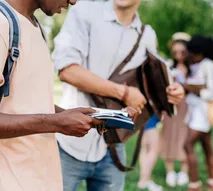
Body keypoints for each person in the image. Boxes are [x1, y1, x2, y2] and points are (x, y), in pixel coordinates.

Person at [52, 0, 185, 190]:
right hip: (69, 143)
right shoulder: (84, 11)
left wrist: (173, 90)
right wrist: (123, 92)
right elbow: (67, 70)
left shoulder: (146, 34)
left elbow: (156, 79)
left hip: (113, 144)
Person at [0, 0, 108, 190]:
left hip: (38, 178)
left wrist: (69, 115)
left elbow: (24, 102)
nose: (73, 1)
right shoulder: (0, 25)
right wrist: (56, 123)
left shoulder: (35, 27)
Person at [184, 35, 213, 191]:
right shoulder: (198, 66)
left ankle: (194, 184)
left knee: (187, 145)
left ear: (199, 52)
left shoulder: (208, 65)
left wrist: (192, 88)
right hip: (196, 112)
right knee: (207, 147)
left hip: (203, 112)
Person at [160, 32, 190, 187]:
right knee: (168, 135)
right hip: (171, 106)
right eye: (176, 51)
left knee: (186, 137)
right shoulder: (168, 64)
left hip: (188, 107)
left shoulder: (194, 67)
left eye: (182, 52)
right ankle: (170, 171)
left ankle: (184, 171)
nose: (178, 55)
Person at [137, 114, 162, 191]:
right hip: (150, 115)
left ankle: (143, 180)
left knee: (145, 149)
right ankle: (145, 180)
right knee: (153, 149)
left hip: (143, 116)